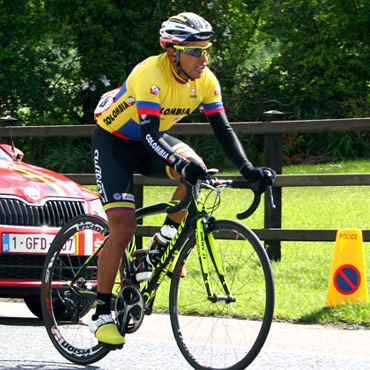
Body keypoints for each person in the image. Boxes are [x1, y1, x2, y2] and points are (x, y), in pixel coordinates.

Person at [89, 12, 276, 346]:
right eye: (194, 51)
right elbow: (148, 133)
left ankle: (158, 246)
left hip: (151, 142)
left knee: (196, 169)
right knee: (123, 228)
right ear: (172, 51)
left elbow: (223, 128)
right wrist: (176, 161)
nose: (202, 58)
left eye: (206, 50)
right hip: (117, 143)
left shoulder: (205, 79)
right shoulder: (151, 73)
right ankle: (101, 311)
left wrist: (248, 169)